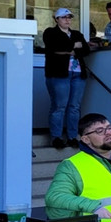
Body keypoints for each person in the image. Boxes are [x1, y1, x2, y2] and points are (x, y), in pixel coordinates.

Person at [43, 8, 90, 149]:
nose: (67, 20)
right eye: (63, 17)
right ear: (56, 19)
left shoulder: (76, 34)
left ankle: (72, 137)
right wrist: (73, 46)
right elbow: (53, 47)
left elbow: (86, 49)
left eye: (69, 17)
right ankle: (56, 137)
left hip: (77, 73)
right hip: (58, 74)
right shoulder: (50, 32)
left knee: (74, 107)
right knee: (59, 106)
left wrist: (67, 50)